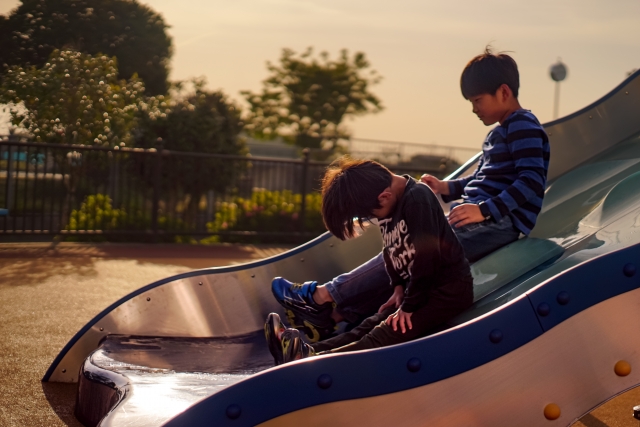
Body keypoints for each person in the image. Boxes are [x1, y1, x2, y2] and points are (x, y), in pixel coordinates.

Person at [272, 46, 550, 342]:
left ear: (504, 92)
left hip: (502, 223)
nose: (474, 108)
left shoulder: (522, 126)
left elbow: (531, 180)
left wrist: (484, 210)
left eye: (477, 100)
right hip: (482, 215)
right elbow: (483, 179)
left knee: (414, 250)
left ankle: (322, 297)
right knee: (402, 252)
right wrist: (446, 188)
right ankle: (336, 316)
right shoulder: (498, 133)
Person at [265, 158, 474, 364]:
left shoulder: (417, 199)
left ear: (384, 196)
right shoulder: (390, 201)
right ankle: (303, 352)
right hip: (420, 291)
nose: (374, 218)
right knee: (366, 326)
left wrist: (410, 305)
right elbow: (391, 249)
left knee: (382, 334)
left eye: (371, 214)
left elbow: (427, 258)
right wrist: (398, 287)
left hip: (446, 293)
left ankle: (309, 360)